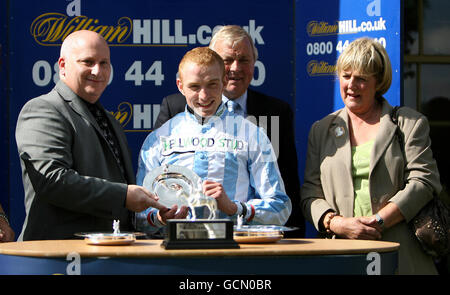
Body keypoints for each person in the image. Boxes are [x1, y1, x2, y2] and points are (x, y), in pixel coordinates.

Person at [300, 37, 442, 275]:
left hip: (400, 256)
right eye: (346, 76)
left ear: (378, 82)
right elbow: (310, 193)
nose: (351, 85)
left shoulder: (409, 123)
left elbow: (424, 181)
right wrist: (336, 223)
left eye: (361, 79)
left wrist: (379, 221)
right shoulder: (321, 129)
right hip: (341, 256)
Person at [154, 25, 304, 237]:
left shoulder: (276, 111)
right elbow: (158, 180)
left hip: (246, 239)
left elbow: (287, 181)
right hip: (182, 238)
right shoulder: (175, 107)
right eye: (227, 61)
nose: (235, 68)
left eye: (243, 60)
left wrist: (293, 237)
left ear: (254, 64)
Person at [15, 30, 164, 241]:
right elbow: (52, 180)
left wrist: (156, 216)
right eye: (88, 62)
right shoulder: (43, 109)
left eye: (104, 63)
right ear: (63, 65)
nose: (98, 71)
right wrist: (123, 196)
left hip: (107, 257)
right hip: (58, 259)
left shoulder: (110, 120)